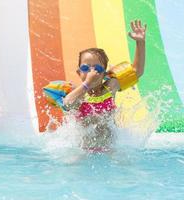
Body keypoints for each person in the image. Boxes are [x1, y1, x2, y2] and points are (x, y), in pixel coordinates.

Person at [63, 20, 147, 152]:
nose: (91, 72)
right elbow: (67, 104)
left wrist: (140, 42)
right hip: (83, 151)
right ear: (78, 73)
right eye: (85, 68)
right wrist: (86, 84)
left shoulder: (110, 86)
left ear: (104, 74)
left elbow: (137, 72)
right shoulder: (78, 93)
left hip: (110, 149)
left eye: (96, 68)